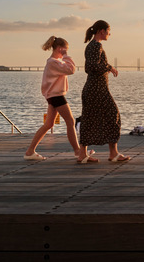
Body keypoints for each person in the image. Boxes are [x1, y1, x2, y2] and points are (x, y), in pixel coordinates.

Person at [23, 36, 82, 160]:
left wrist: (64, 58)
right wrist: (66, 56)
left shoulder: (54, 62)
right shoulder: (53, 62)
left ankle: (30, 151)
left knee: (49, 124)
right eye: (65, 49)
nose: (66, 52)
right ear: (60, 49)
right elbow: (71, 69)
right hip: (56, 96)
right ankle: (78, 151)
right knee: (70, 122)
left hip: (52, 96)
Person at [78, 20, 128, 162]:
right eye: (108, 31)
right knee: (113, 115)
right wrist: (109, 67)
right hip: (97, 89)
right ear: (102, 31)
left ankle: (83, 154)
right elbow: (91, 67)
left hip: (94, 89)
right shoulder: (96, 46)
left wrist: (108, 66)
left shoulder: (92, 46)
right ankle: (113, 154)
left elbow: (94, 65)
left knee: (89, 119)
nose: (109, 34)